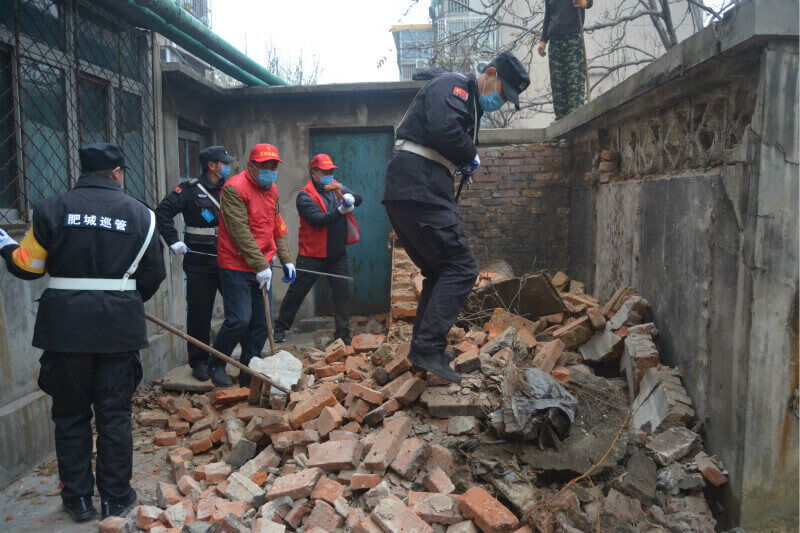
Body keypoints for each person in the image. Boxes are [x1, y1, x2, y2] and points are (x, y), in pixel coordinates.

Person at [0, 143, 165, 522]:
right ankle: (116, 497)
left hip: (65, 329)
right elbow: (153, 275)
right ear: (118, 173)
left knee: (70, 414)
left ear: (82, 171)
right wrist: (123, 300)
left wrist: (7, 246)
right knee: (114, 414)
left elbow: (28, 267)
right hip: (118, 330)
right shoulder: (143, 215)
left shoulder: (50, 209)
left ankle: (77, 500)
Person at [382, 51, 530, 383]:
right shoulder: (455, 87)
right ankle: (427, 349)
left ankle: (423, 347)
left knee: (439, 270)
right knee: (462, 268)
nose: (501, 102)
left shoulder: (467, 103)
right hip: (419, 187)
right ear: (490, 75)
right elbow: (444, 131)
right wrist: (469, 155)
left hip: (414, 188)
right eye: (502, 94)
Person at [209, 143, 296, 387]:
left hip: (262, 266)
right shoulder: (234, 189)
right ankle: (216, 363)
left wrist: (287, 259)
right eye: (264, 166)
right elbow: (239, 231)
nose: (270, 170)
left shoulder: (272, 189)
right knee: (240, 320)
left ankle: (250, 370)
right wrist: (260, 263)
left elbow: (276, 224)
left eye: (273, 166)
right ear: (251, 166)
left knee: (260, 322)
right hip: (235, 264)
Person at [155, 145, 235, 381]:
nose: (227, 166)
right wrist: (172, 241)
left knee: (237, 312)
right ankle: (199, 361)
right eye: (224, 162)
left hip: (229, 258)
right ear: (212, 165)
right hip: (200, 261)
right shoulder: (190, 189)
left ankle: (222, 359)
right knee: (200, 313)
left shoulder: (230, 189)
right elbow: (163, 212)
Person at [274, 153, 362, 345]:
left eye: (331, 171)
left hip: (337, 254)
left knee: (343, 293)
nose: (329, 174)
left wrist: (348, 196)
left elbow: (359, 199)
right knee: (297, 292)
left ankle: (342, 335)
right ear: (314, 173)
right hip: (312, 255)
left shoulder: (335, 187)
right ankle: (280, 327)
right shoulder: (304, 196)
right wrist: (341, 210)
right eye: (325, 171)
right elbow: (317, 221)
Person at [537, 0, 592, 119]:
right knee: (558, 86)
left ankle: (576, 119)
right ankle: (560, 120)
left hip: (573, 39)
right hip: (555, 42)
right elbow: (547, 17)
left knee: (574, 83)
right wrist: (543, 40)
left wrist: (584, 3)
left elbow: (589, 2)